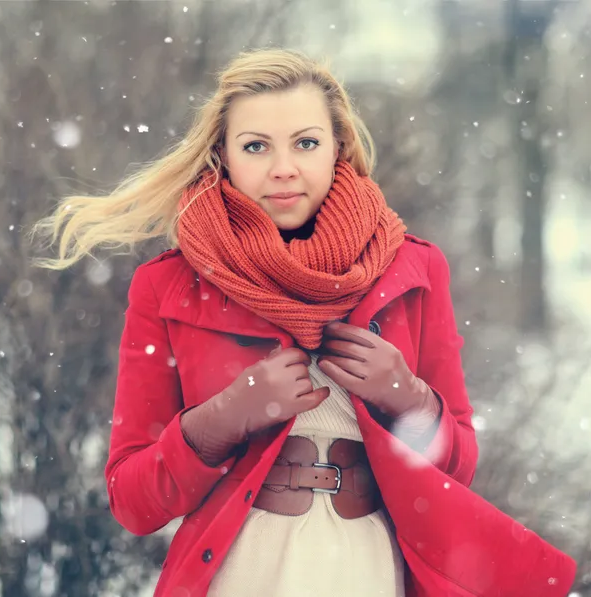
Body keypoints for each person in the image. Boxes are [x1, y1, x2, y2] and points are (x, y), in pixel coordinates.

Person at [32, 48, 576, 597]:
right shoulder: (169, 285)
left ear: (337, 146)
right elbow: (132, 499)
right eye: (255, 146)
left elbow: (457, 467)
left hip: (370, 568)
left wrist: (408, 399)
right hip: (239, 571)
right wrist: (222, 418)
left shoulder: (413, 269)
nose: (283, 167)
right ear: (222, 154)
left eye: (306, 142)